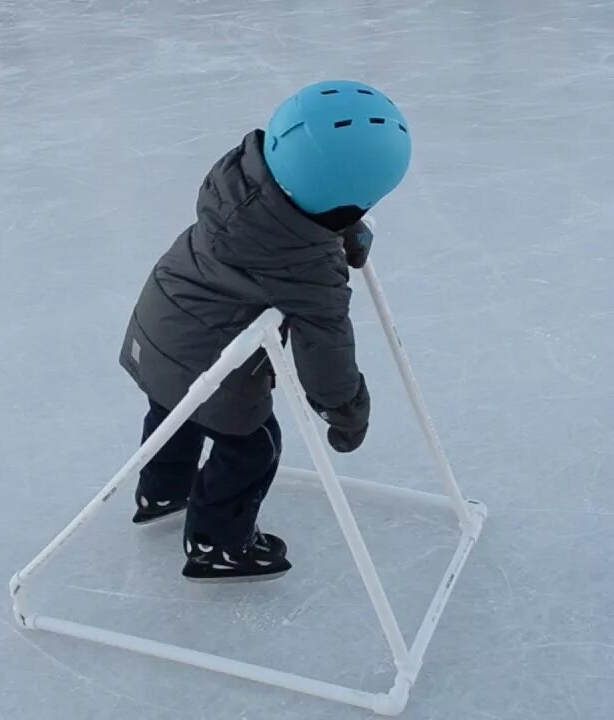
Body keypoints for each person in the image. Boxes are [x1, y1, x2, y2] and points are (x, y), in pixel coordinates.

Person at [118, 80, 412, 582]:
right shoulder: (308, 273)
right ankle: (217, 544)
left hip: (160, 326)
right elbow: (326, 350)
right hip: (209, 357)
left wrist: (339, 231)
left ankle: (162, 489)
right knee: (253, 446)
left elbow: (295, 211)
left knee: (175, 412)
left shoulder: (238, 178)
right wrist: (346, 411)